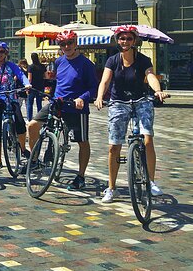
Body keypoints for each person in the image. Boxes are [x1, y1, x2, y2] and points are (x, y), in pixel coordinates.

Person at [94, 25, 168, 202]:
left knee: (148, 139)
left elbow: (150, 76)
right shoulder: (112, 60)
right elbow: (105, 81)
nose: (125, 41)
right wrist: (99, 97)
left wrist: (157, 91)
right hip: (118, 102)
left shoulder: (143, 59)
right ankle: (111, 188)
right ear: (117, 40)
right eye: (122, 38)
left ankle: (150, 181)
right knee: (114, 146)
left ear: (134, 41)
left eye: (128, 38)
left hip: (141, 100)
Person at [28, 30, 97, 190]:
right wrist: (49, 92)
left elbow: (93, 87)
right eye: (63, 44)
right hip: (57, 103)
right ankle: (35, 160)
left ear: (75, 43)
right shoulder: (59, 61)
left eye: (69, 43)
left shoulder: (86, 64)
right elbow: (58, 82)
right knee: (32, 125)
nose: (66, 46)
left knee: (82, 141)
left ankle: (80, 176)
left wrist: (82, 98)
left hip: (76, 107)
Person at [0, 42, 31, 170]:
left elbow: (21, 75)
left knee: (20, 122)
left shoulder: (11, 66)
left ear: (6, 54)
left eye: (2, 51)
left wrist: (26, 84)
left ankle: (22, 148)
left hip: (11, 98)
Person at [27, 52, 46, 121]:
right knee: (39, 103)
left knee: (30, 103)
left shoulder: (31, 67)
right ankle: (40, 118)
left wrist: (27, 87)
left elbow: (29, 78)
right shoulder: (42, 66)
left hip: (32, 87)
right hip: (40, 86)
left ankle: (29, 118)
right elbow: (45, 76)